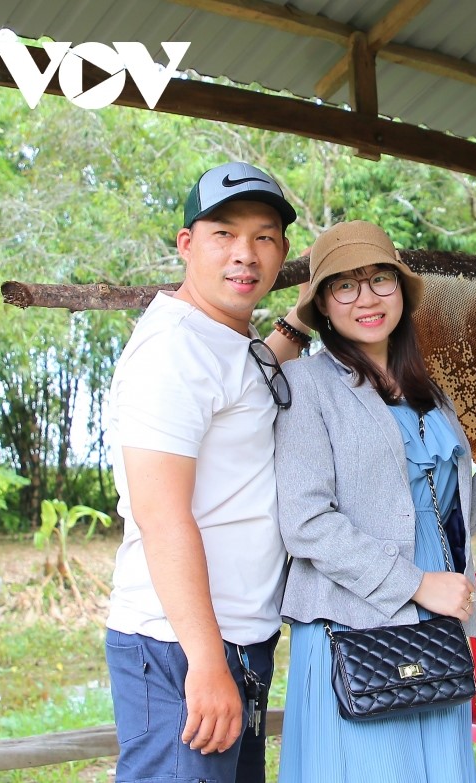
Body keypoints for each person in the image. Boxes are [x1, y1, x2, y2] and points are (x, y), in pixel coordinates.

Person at [272, 219, 476, 782]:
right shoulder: (307, 384)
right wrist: (415, 584)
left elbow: (449, 518)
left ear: (401, 290)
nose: (366, 298)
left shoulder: (429, 392)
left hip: (437, 620)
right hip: (356, 620)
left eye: (380, 279)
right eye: (345, 285)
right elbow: (306, 522)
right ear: (323, 304)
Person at [105, 161, 310, 783]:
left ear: (281, 253)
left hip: (237, 640)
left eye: (263, 237)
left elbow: (249, 386)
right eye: (223, 234)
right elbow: (162, 517)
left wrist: (302, 320)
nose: (244, 254)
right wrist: (205, 661)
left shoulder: (224, 340)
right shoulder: (171, 350)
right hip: (181, 646)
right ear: (187, 244)